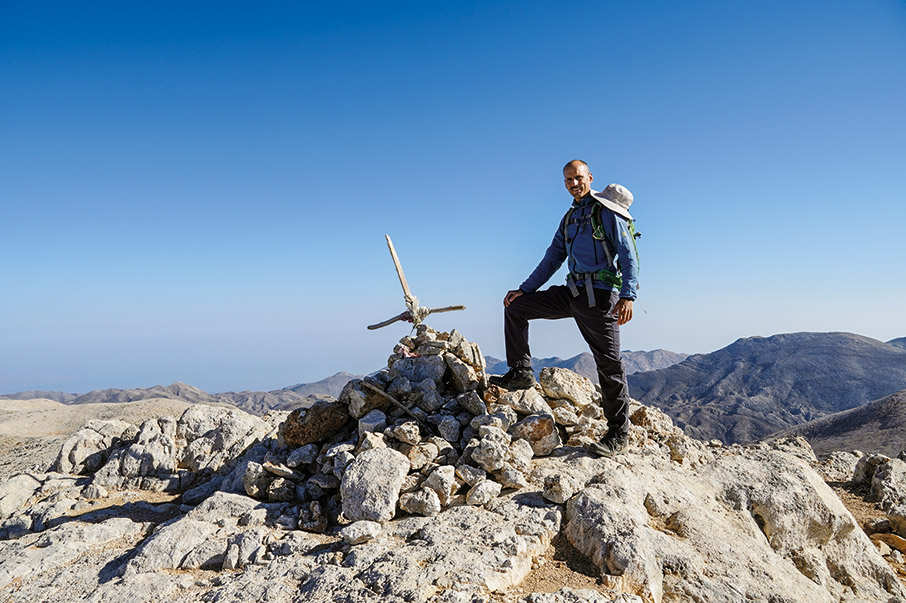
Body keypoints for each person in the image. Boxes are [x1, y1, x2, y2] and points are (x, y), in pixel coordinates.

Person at [489, 159, 639, 457]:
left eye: (578, 178)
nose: (574, 184)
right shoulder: (570, 218)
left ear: (590, 177)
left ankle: (619, 433)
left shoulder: (607, 213)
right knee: (516, 307)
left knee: (609, 364)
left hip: (600, 298)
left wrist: (628, 296)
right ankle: (521, 371)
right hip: (572, 293)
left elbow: (628, 255)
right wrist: (524, 289)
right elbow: (552, 258)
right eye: (568, 180)